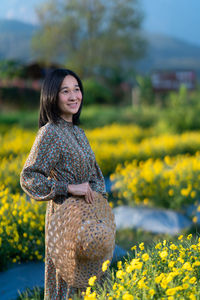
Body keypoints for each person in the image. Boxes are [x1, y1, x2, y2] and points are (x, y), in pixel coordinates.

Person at [20, 68, 108, 299]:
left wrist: (99, 206)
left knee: (93, 284)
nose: (74, 96)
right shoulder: (49, 133)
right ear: (52, 96)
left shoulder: (79, 133)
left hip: (89, 222)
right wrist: (67, 188)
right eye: (65, 91)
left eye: (77, 90)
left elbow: (96, 176)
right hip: (65, 221)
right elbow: (29, 177)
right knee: (69, 286)